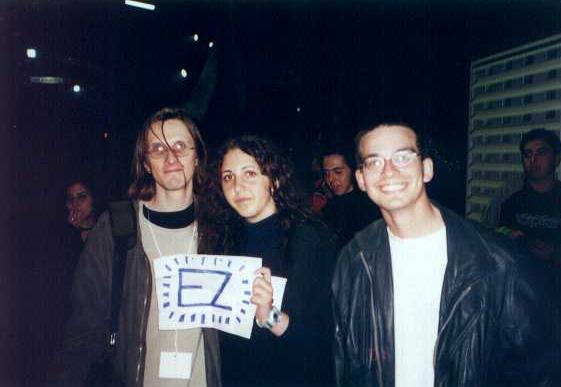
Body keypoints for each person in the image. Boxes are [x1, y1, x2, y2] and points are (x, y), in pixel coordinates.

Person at [332, 123, 559, 387]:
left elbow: (539, 372)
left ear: (427, 169)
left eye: (403, 157)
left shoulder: (497, 263)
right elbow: (345, 362)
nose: (389, 171)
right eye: (374, 162)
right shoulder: (354, 261)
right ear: (361, 179)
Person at [49, 107, 221, 386]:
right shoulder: (116, 227)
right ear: (146, 163)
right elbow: (82, 333)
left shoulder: (219, 230)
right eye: (157, 148)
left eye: (180, 145)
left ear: (197, 157)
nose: (171, 157)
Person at [198, 135, 337, 386]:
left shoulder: (308, 239)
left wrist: (269, 315)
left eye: (249, 173)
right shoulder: (222, 241)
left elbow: (323, 340)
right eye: (228, 177)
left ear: (273, 180)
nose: (238, 187)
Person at [499, 128, 561, 264]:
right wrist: (508, 237)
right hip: (516, 279)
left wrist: (554, 253)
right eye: (528, 154)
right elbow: (489, 237)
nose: (533, 159)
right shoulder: (508, 198)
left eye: (541, 153)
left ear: (556, 159)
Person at [321, 147, 380, 247]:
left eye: (338, 172)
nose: (331, 179)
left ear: (352, 170)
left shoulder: (369, 205)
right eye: (326, 174)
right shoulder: (328, 209)